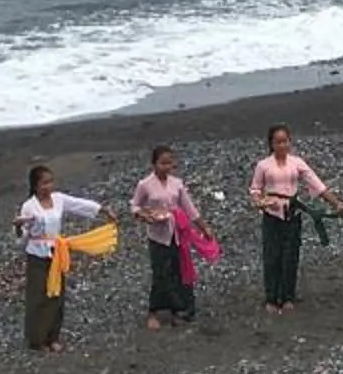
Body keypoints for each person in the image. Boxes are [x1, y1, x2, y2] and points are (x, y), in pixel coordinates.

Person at [248, 125, 343, 314]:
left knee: (290, 256)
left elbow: (317, 184)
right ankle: (271, 297)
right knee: (272, 256)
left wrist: (337, 204)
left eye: (285, 141)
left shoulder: (297, 163)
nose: (282, 145)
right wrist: (261, 202)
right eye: (278, 142)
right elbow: (254, 190)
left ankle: (288, 295)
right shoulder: (263, 165)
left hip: (293, 213)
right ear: (271, 143)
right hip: (272, 215)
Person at [15, 165, 111, 352]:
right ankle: (37, 339)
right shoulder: (29, 206)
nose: (48, 186)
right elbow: (22, 238)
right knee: (39, 296)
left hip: (57, 253)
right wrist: (19, 228)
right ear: (35, 186)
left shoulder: (58, 199)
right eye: (44, 183)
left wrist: (102, 210)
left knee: (57, 294)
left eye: (50, 182)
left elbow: (79, 204)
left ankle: (53, 337)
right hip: (37, 255)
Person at [128, 144, 203, 330]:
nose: (166, 167)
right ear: (154, 164)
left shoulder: (176, 183)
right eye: (162, 163)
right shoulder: (145, 185)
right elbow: (135, 205)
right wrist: (144, 215)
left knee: (180, 271)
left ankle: (180, 309)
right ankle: (154, 311)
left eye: (169, 163)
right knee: (161, 273)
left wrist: (204, 227)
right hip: (158, 235)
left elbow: (189, 207)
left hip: (177, 233)